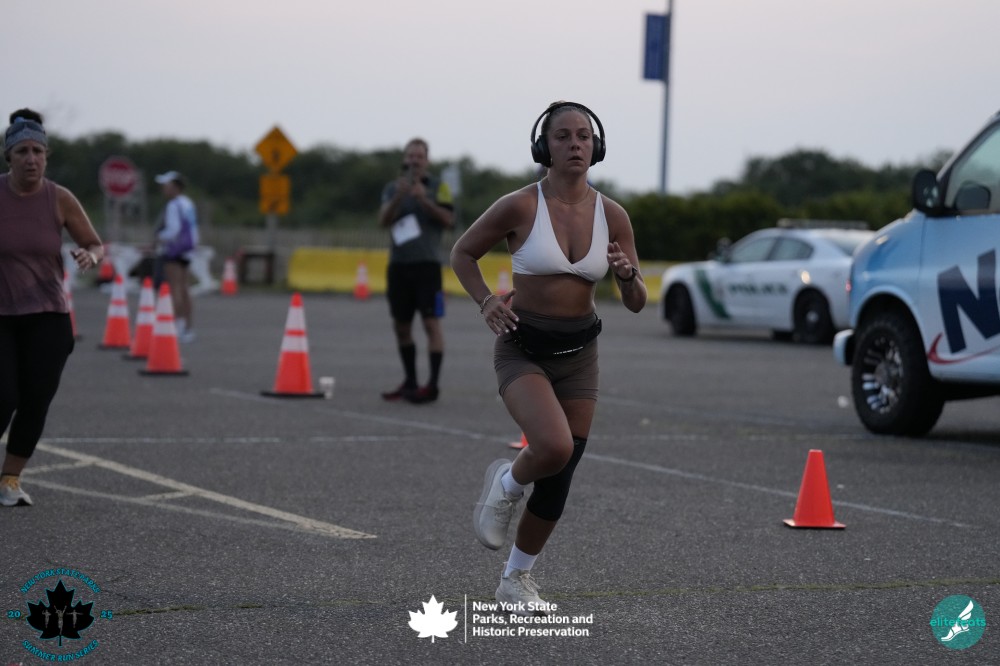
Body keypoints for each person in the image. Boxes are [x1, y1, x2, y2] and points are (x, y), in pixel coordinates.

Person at [450, 101, 647, 613]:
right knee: (554, 446)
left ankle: (516, 579)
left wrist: (627, 276)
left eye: (584, 136)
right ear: (544, 146)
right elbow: (462, 253)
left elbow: (637, 301)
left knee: (561, 473)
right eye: (563, 136)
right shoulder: (519, 205)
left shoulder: (613, 215)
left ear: (596, 147)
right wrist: (486, 302)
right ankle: (507, 482)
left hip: (581, 355)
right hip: (523, 349)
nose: (575, 144)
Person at [0, 108, 104, 507]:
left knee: (36, 399)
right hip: (1, 317)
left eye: (38, 152)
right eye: (22, 152)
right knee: (2, 396)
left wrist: (91, 256)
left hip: (47, 315)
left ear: (46, 156)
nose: (31, 159)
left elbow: (94, 243)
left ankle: (10, 480)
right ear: (9, 157)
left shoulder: (59, 198)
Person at [378, 138, 454, 403]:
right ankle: (409, 381)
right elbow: (382, 221)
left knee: (431, 323)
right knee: (401, 326)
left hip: (427, 267)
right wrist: (399, 197)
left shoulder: (439, 187)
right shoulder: (392, 188)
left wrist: (424, 200)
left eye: (419, 156)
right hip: (399, 266)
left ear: (427, 160)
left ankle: (432, 385)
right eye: (410, 156)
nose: (414, 161)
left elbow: (448, 220)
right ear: (404, 159)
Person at [154, 170, 199, 343]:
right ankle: (187, 327)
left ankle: (176, 326)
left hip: (174, 250)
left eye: (166, 186)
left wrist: (159, 237)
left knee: (175, 288)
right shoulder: (188, 203)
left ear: (175, 187)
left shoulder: (173, 205)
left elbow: (173, 230)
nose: (163, 189)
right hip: (188, 250)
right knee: (184, 287)